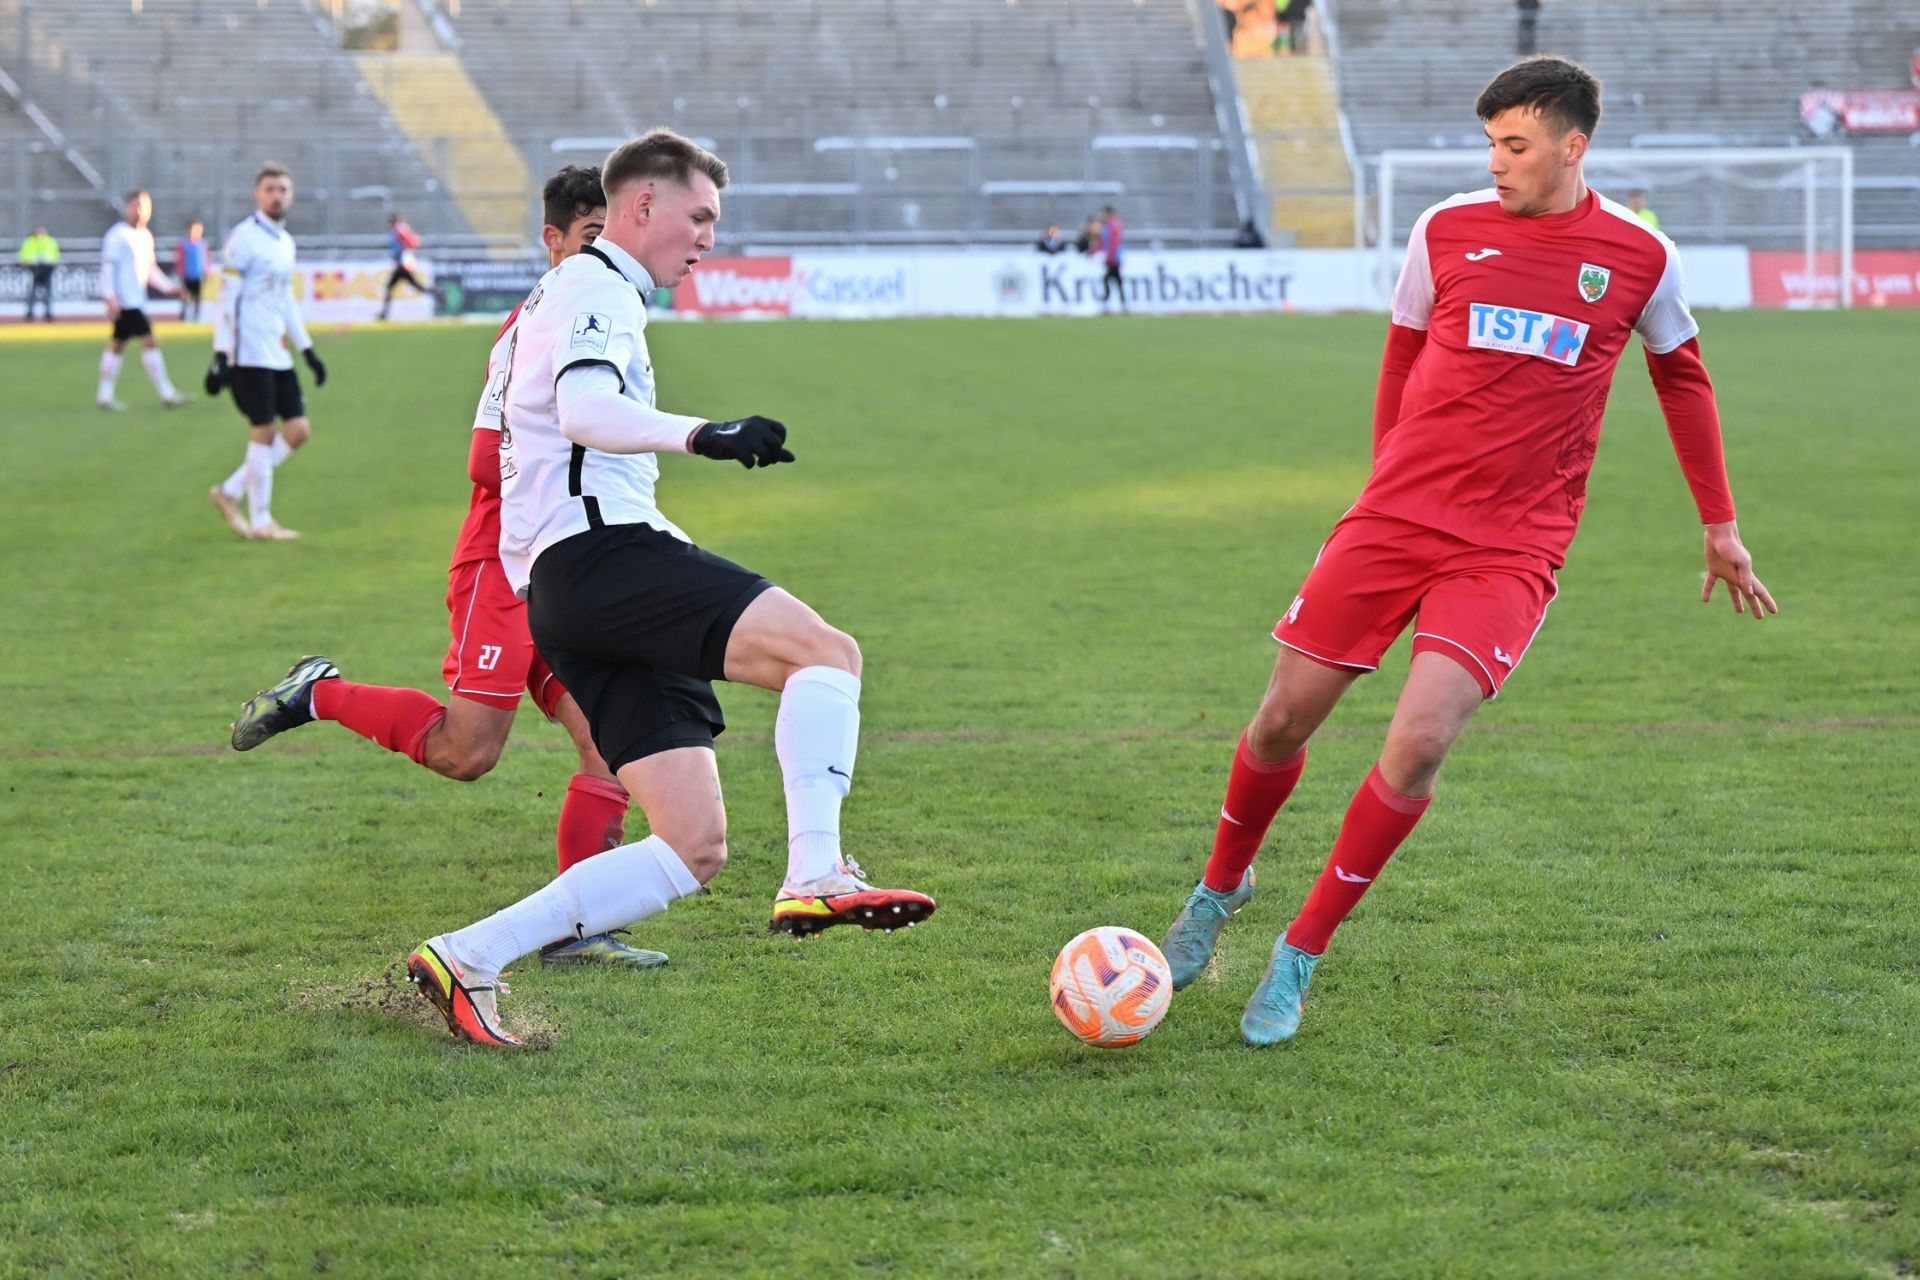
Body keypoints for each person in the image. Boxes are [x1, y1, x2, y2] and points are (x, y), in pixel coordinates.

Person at [1157, 55, 1776, 1047]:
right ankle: (1221, 887)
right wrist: (1382, 481)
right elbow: (1402, 350)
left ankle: (1301, 950)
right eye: (1491, 143)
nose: (1496, 162)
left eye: (1515, 145)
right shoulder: (1443, 229)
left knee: (1419, 743)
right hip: (1396, 517)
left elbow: (1683, 377)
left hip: (1512, 546)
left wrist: (1720, 522)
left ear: (1572, 147)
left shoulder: (1640, 255)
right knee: (1279, 722)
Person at [400, 128, 936, 1047]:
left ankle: (467, 956)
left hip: (563, 588)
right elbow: (583, 410)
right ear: (642, 205)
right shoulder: (597, 285)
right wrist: (705, 433)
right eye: (701, 217)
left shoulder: (565, 290)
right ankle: (816, 871)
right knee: (826, 654)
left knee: (692, 846)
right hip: (603, 556)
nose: (709, 240)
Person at [227, 165, 665, 972]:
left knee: (608, 740)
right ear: (554, 240)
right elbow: (484, 460)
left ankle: (576, 929)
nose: (605, 254)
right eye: (590, 238)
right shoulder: (532, 326)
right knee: (467, 754)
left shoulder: (603, 315)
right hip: (505, 562)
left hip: (567, 560)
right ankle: (317, 692)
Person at [204, 163, 327, 542]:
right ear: (257, 195)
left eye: (282, 190)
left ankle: (229, 491)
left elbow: (285, 301)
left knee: (298, 430)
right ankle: (261, 521)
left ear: (291, 196)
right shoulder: (244, 239)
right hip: (248, 352)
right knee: (264, 430)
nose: (276, 196)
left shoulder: (285, 242)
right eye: (270, 189)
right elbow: (228, 298)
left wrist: (308, 350)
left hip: (277, 352)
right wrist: (222, 353)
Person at [97, 191, 189, 410]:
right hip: (126, 302)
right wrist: (110, 297)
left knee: (117, 345)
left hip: (136, 300)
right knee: (150, 341)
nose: (141, 210)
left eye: (145, 206)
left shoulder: (145, 236)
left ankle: (104, 395)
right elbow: (108, 268)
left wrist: (169, 288)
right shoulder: (117, 235)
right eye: (136, 205)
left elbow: (150, 269)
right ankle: (166, 393)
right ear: (127, 208)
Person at [378, 212, 424, 320]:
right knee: (416, 286)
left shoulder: (399, 230)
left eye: (390, 222)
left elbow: (412, 243)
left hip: (403, 264)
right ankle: (437, 294)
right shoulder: (399, 230)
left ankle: (384, 314)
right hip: (402, 264)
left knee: (390, 287)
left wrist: (401, 254)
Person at [19, 226, 58, 322]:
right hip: (33, 269)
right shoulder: (30, 242)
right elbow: (24, 255)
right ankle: (30, 313)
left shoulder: (50, 241)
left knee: (47, 293)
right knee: (32, 293)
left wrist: (51, 264)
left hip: (47, 269)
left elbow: (55, 255)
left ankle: (48, 312)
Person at [1094, 204, 1127, 313]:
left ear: (1109, 213)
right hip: (1111, 257)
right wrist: (1094, 250)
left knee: (1108, 279)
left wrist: (1110, 255)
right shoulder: (1107, 225)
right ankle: (1122, 303)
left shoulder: (1114, 225)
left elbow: (1115, 242)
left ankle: (1107, 302)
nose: (1102, 215)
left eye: (1103, 213)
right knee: (1116, 279)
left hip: (1114, 258)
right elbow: (1103, 242)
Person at [175, 219, 210, 322]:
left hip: (198, 275)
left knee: (197, 297)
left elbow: (206, 259)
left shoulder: (202, 244)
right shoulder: (183, 245)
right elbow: (179, 260)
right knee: (185, 297)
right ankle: (183, 315)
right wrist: (180, 271)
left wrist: (207, 271)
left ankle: (196, 315)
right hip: (187, 275)